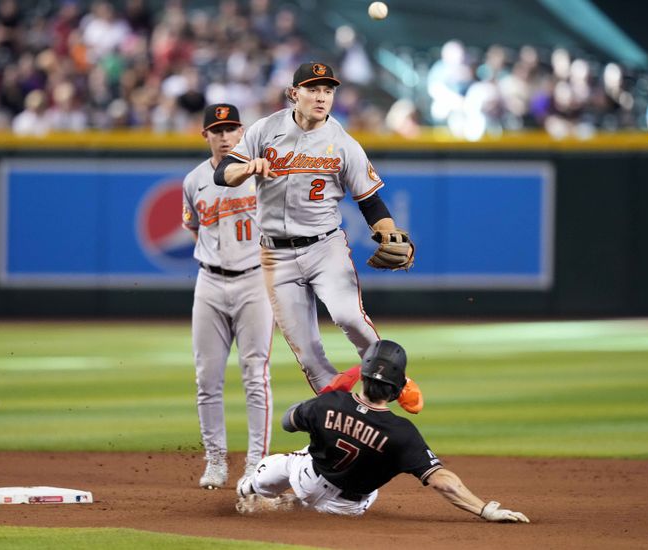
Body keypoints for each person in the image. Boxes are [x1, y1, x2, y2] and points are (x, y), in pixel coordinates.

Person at [213, 62, 422, 414]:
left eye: (327, 90)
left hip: (324, 246)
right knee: (307, 352)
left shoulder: (343, 143)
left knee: (350, 317)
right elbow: (223, 173)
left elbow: (370, 201)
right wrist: (248, 167)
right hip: (275, 255)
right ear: (294, 94)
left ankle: (397, 381)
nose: (321, 96)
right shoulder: (266, 130)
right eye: (313, 89)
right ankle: (343, 413)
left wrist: (388, 232)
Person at [234, 340, 530, 523]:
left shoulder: (329, 403)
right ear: (398, 390)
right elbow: (442, 482)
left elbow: (288, 422)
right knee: (360, 481)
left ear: (362, 375)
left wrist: (326, 397)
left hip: (308, 479)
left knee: (288, 460)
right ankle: (294, 507)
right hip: (346, 508)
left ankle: (250, 490)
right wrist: (485, 510)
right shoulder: (403, 433)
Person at [182, 103, 274, 490]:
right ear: (205, 135)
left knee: (256, 375)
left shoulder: (259, 173)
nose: (223, 136)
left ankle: (256, 464)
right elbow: (194, 227)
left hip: (254, 280)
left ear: (241, 133)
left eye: (230, 129)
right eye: (216, 130)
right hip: (210, 282)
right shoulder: (193, 181)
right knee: (207, 379)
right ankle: (216, 460)